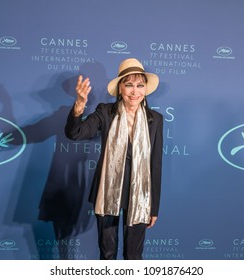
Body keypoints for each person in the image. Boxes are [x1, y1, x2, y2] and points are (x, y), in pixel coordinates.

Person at [65, 58, 163, 260]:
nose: (134, 91)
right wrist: (79, 106)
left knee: (134, 255)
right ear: (120, 89)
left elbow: (156, 164)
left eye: (139, 85)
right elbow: (75, 133)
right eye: (129, 85)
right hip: (107, 191)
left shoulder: (155, 119)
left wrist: (153, 207)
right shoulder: (105, 112)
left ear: (145, 89)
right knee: (107, 253)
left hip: (141, 195)